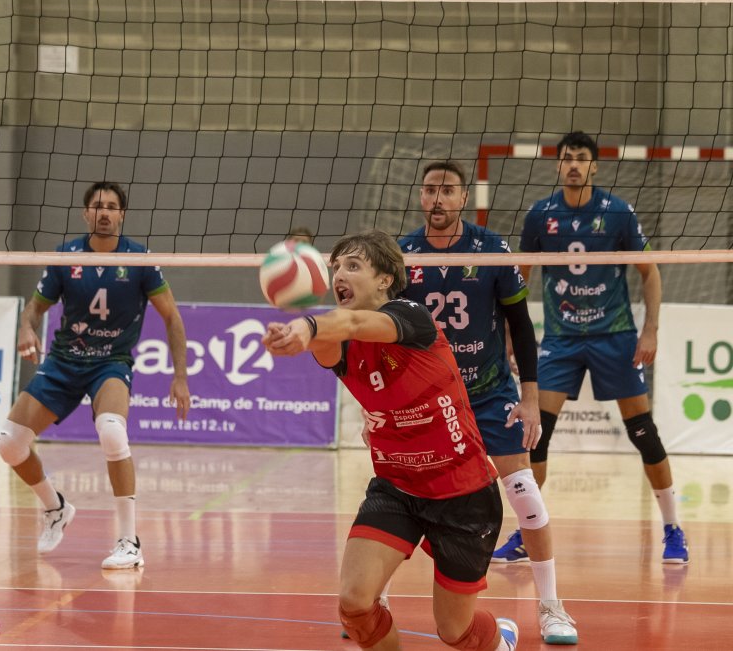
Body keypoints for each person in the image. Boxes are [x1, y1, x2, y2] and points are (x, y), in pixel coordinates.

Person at [265, 229, 518, 651]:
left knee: (455, 631)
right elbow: (331, 339)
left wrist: (308, 325)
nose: (339, 274)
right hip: (397, 486)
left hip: (463, 492)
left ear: (385, 279)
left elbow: (355, 322)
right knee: (355, 604)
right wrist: (299, 327)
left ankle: (501, 638)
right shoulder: (338, 335)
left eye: (353, 265)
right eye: (335, 267)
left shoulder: (411, 316)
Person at [401, 161, 577, 645]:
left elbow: (520, 324)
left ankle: (551, 606)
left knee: (525, 496)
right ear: (421, 196)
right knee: (402, 498)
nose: (438, 199)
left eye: (449, 191)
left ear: (464, 198)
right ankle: (376, 601)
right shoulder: (401, 256)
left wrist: (531, 397)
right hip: (429, 401)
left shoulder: (493, 249)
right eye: (431, 190)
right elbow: (385, 337)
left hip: (489, 393)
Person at [0, 181, 189, 569]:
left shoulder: (139, 259)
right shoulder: (67, 255)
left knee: (113, 431)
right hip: (65, 360)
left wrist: (180, 376)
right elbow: (35, 308)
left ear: (121, 215)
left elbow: (172, 317)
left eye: (112, 206)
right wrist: (26, 327)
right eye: (97, 206)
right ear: (86, 213)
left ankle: (129, 541)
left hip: (111, 362)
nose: (104, 212)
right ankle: (56, 507)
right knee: (9, 444)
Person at [519, 131, 687, 565]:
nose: (574, 164)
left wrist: (650, 330)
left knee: (644, 433)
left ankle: (673, 528)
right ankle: (526, 534)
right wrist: (509, 334)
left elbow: (650, 273)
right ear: (558, 166)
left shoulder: (617, 212)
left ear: (594, 166)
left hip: (615, 335)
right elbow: (517, 278)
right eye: (567, 158)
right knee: (536, 435)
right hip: (562, 339)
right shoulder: (541, 215)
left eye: (582, 159)